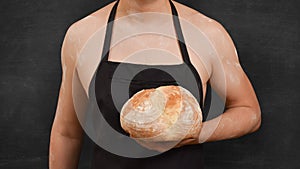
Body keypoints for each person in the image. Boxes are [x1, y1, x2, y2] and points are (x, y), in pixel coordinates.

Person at [49, 0, 261, 168]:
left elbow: (249, 112)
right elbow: (66, 132)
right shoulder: (82, 35)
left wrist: (195, 133)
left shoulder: (208, 33)